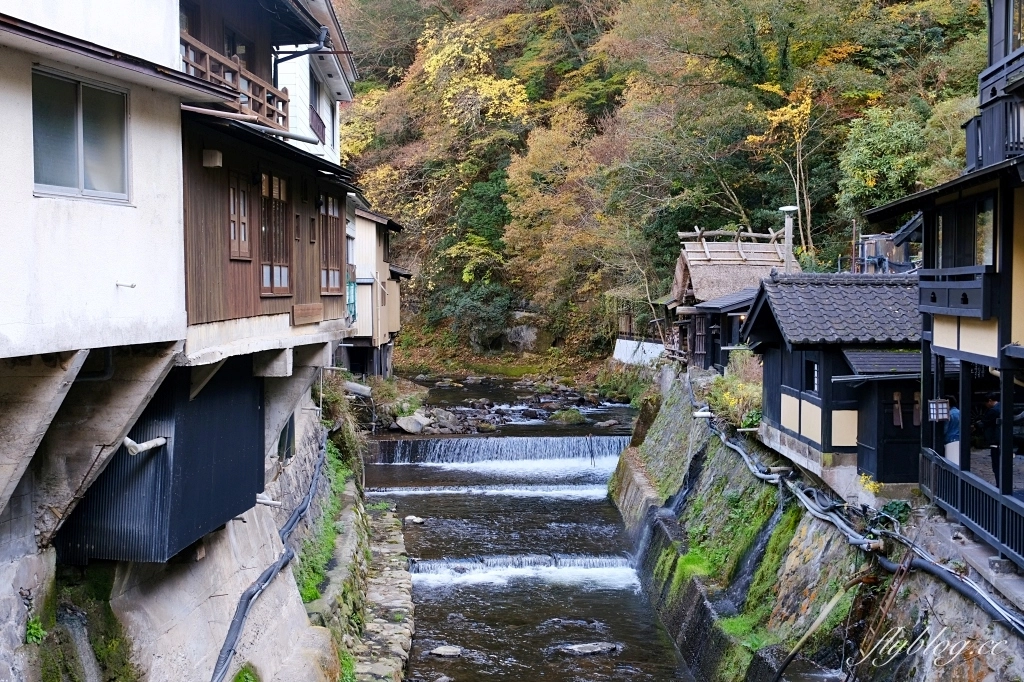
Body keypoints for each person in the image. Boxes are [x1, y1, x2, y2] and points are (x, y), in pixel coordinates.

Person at [977, 393, 1001, 486]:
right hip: (1000, 440)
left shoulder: (993, 411)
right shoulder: (1001, 407)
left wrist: (976, 425)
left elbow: (984, 422)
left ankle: (999, 484)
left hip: (995, 440)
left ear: (990, 401)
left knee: (996, 465)